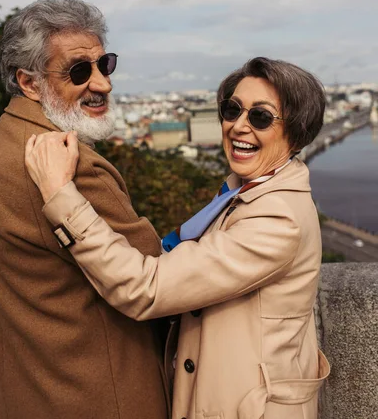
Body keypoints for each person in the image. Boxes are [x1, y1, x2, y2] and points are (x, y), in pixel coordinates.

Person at [26, 56, 331, 419]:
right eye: (232, 110)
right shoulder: (244, 191)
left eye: (260, 117)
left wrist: (61, 196)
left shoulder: (277, 219)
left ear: (296, 132)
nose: (238, 126)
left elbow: (146, 288)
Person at [0, 0, 169, 419]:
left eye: (106, 64)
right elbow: (155, 275)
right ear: (28, 83)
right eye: (79, 71)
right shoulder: (67, 166)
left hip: (23, 391)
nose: (103, 84)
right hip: (99, 393)